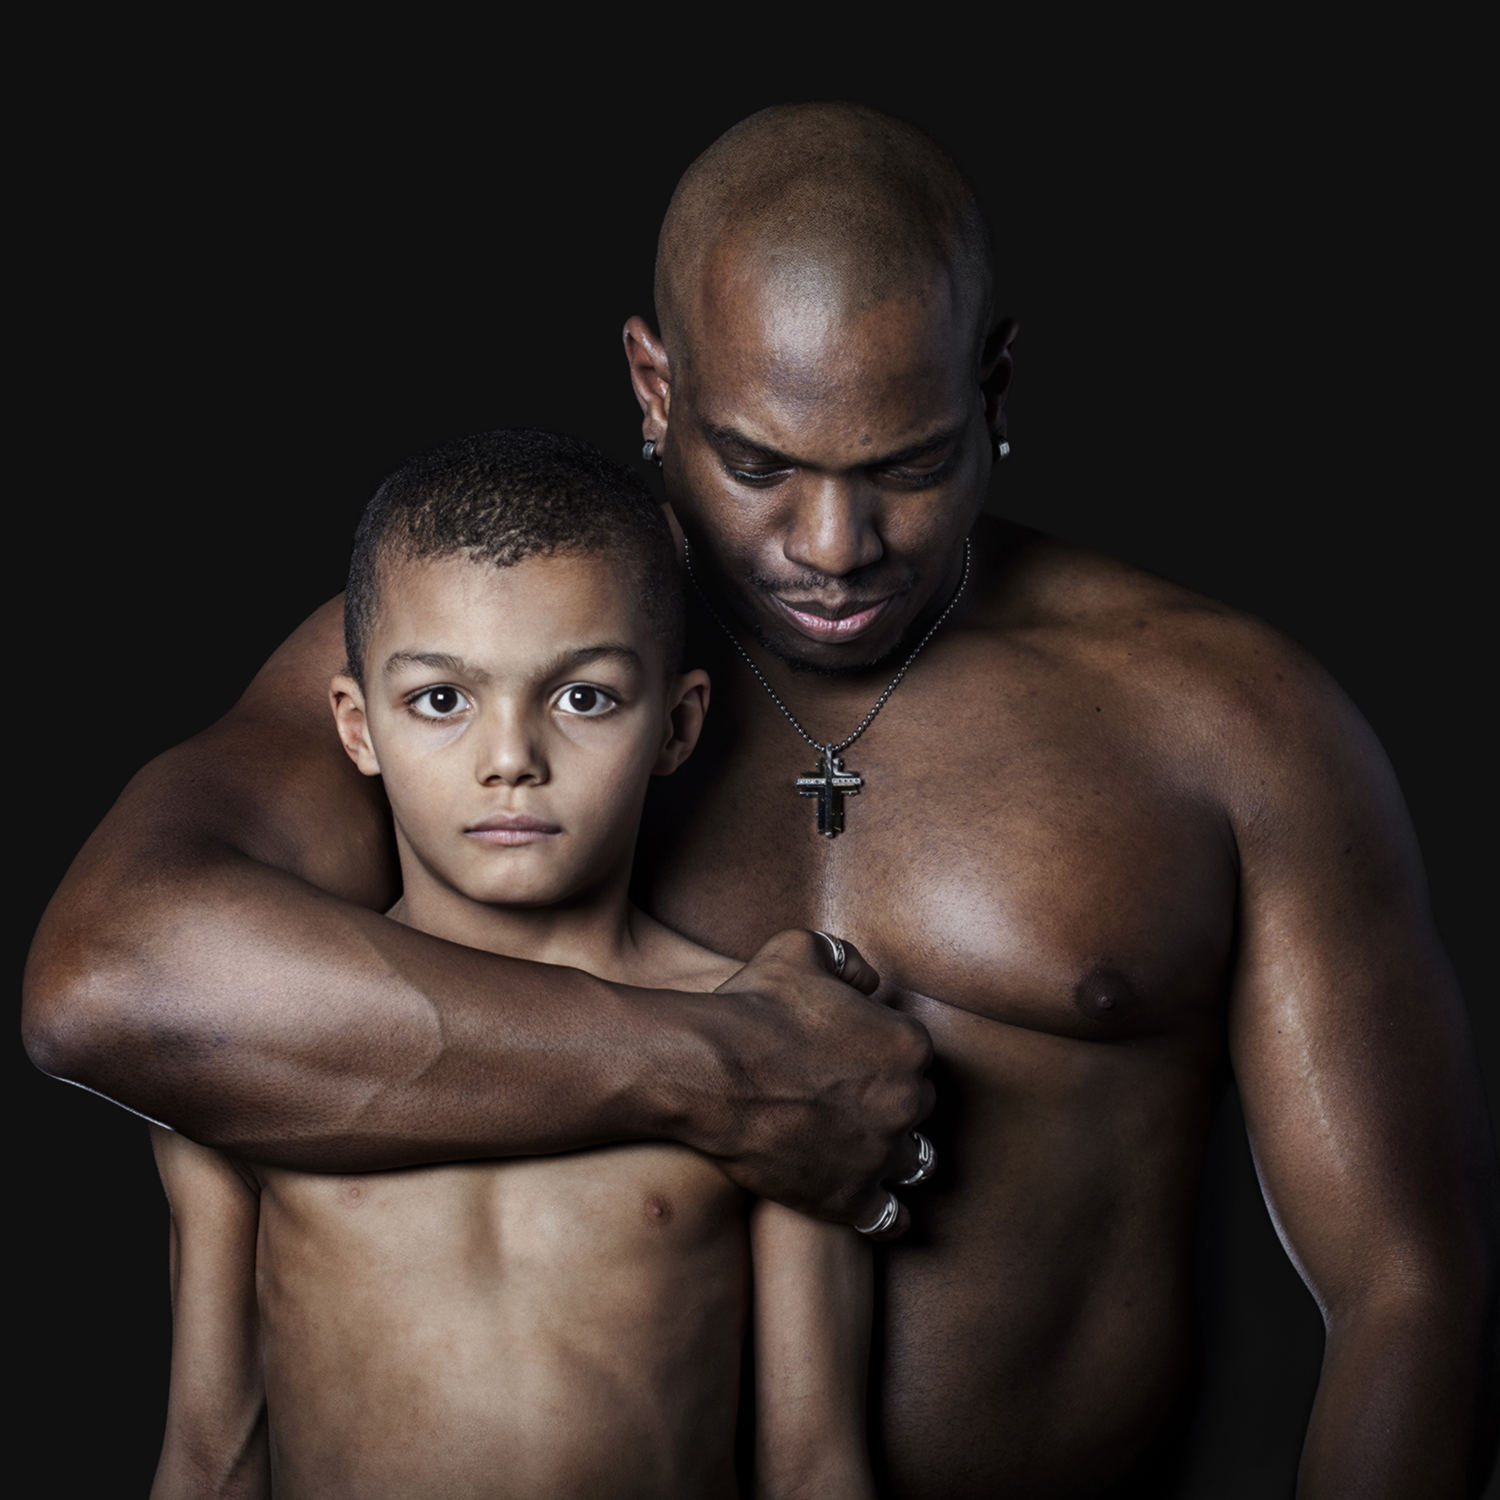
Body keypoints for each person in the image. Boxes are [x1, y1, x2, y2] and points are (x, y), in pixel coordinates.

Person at [23, 102, 1497, 1498]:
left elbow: (1413, 1288)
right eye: (758, 465)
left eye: (908, 467)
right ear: (655, 388)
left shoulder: (1227, 719)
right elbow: (112, 981)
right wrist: (722, 1071)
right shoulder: (475, 665)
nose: (834, 544)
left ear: (992, 390)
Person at [149, 427, 881, 1499]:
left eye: (582, 697)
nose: (510, 760)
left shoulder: (770, 1051)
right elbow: (214, 1452)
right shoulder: (264, 1052)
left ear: (675, 726)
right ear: (357, 726)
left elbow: (815, 1465)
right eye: (442, 700)